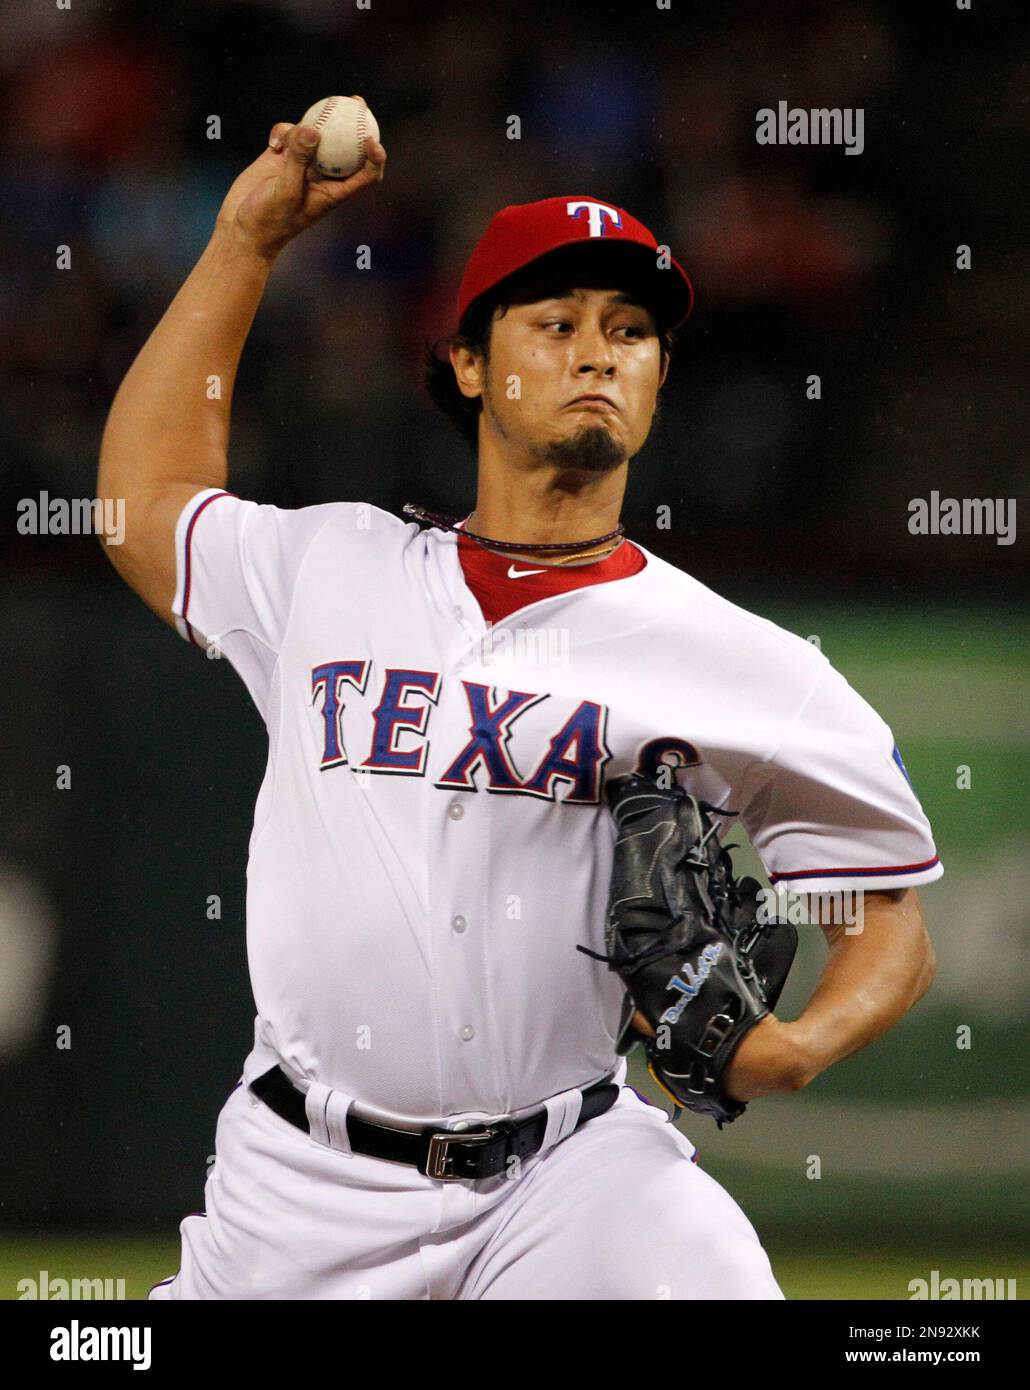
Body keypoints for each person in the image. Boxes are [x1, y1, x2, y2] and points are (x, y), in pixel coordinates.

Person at [97, 115, 941, 1300]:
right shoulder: (328, 567)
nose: (600, 352)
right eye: (555, 325)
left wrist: (795, 1047)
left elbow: (882, 911)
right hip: (297, 1183)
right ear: (469, 364)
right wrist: (243, 240)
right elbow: (145, 501)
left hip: (569, 1178)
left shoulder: (745, 661)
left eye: (632, 332)